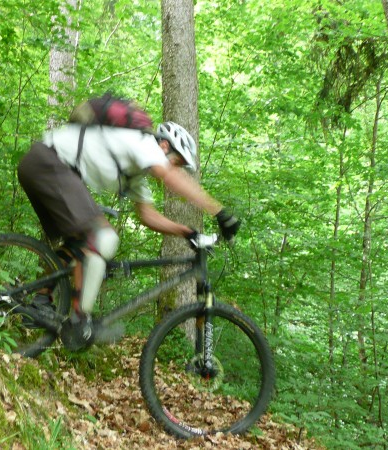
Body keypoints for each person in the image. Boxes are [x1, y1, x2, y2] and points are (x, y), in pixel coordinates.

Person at [17, 119, 241, 349]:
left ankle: (40, 300)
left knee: (82, 243)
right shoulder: (143, 143)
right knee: (103, 238)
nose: (175, 168)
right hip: (49, 165)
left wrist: (186, 232)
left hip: (41, 166)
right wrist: (219, 211)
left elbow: (147, 215)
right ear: (164, 146)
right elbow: (169, 176)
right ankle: (79, 320)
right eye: (177, 161)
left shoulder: (134, 172)